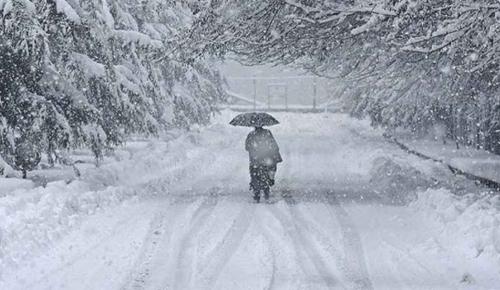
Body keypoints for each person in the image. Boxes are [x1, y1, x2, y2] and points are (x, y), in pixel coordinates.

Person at [245, 126, 282, 202]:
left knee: (255, 176)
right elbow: (273, 145)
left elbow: (247, 147)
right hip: (266, 159)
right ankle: (266, 193)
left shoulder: (251, 134)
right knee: (265, 175)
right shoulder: (267, 133)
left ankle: (256, 194)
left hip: (255, 160)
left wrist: (254, 150)